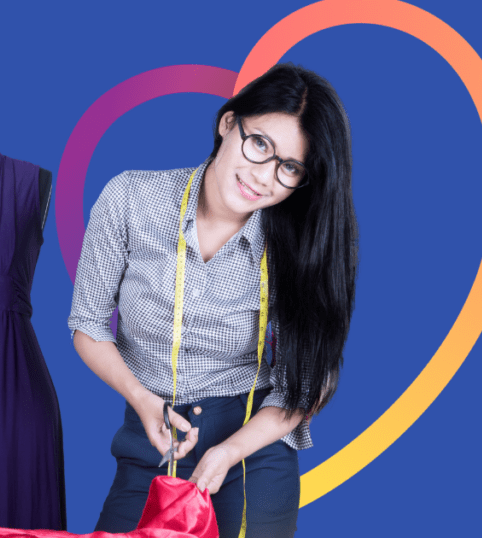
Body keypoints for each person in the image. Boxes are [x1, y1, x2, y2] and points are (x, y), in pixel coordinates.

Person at [68, 63, 357, 538]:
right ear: (228, 123)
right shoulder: (129, 200)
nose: (263, 176)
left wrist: (229, 451)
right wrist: (142, 400)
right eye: (260, 144)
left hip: (251, 448)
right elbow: (88, 325)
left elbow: (305, 382)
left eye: (288, 168)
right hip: (152, 436)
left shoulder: (299, 245)